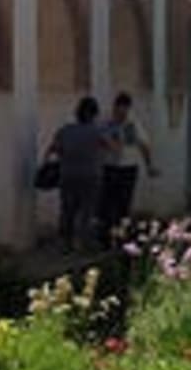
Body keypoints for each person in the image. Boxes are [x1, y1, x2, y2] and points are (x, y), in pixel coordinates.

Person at [43, 95, 108, 250]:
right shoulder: (97, 132)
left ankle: (65, 242)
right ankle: (85, 242)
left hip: (68, 175)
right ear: (94, 114)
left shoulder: (65, 130)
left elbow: (52, 149)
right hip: (90, 176)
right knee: (87, 210)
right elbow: (111, 147)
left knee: (67, 210)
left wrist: (52, 163)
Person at [99, 90, 158, 239]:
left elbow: (144, 145)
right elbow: (99, 142)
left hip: (128, 167)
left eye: (125, 110)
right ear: (114, 107)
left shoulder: (133, 124)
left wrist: (149, 165)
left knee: (124, 203)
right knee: (107, 203)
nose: (122, 113)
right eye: (119, 110)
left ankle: (122, 234)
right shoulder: (106, 123)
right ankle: (107, 235)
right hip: (110, 167)